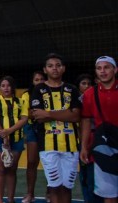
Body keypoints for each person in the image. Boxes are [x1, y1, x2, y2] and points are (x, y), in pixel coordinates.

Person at [30, 53, 81, 203]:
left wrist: (47, 113)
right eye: (51, 66)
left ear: (63, 68)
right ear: (45, 70)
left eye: (58, 65)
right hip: (48, 145)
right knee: (54, 186)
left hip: (71, 145)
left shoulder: (72, 89)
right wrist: (66, 113)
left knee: (67, 187)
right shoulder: (39, 89)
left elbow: (76, 116)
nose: (55, 69)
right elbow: (37, 116)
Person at [81, 56, 117, 203]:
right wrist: (84, 147)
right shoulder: (89, 94)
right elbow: (86, 121)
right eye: (99, 68)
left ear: (115, 70)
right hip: (104, 149)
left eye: (106, 67)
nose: (103, 71)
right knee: (109, 194)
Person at [0, 76, 28, 203]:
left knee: (11, 169)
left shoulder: (21, 102)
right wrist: (4, 135)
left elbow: (24, 119)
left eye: (8, 85)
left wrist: (8, 131)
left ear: (13, 87)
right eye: (3, 85)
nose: (6, 88)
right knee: (0, 169)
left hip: (16, 139)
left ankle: (11, 200)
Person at [76, 73, 101, 203]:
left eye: (89, 83)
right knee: (84, 175)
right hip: (82, 140)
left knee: (94, 175)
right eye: (83, 83)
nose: (86, 86)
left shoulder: (96, 98)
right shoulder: (76, 101)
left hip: (96, 138)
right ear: (78, 86)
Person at [21, 71, 45, 203]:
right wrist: (45, 114)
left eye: (42, 79)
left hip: (49, 129)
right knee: (31, 162)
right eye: (37, 79)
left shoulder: (49, 93)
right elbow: (27, 114)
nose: (39, 81)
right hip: (32, 129)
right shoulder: (26, 94)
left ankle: (50, 193)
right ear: (33, 81)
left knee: (49, 163)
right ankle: (30, 194)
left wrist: (37, 113)